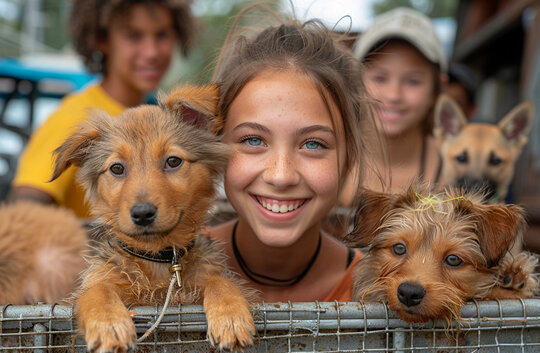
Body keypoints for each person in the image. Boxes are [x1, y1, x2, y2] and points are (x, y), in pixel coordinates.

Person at [207, 10, 380, 302]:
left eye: (312, 144)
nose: (281, 175)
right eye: (253, 140)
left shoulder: (380, 292)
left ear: (348, 159)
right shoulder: (157, 272)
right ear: (217, 148)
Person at [7, 0, 197, 218]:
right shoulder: (75, 116)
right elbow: (21, 212)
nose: (151, 52)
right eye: (133, 36)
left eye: (162, 35)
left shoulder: (159, 113)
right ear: (102, 39)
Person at [339, 7, 447, 204]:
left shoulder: (453, 170)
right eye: (380, 78)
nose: (393, 95)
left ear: (435, 90)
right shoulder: (331, 157)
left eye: (413, 81)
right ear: (355, 81)